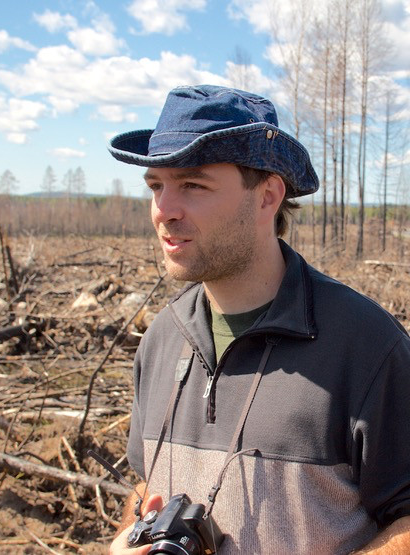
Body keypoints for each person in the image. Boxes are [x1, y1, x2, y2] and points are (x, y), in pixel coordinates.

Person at [106, 85, 410, 554]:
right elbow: (147, 484)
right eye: (155, 186)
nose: (163, 210)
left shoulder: (366, 346)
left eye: (192, 185)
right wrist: (128, 538)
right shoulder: (161, 340)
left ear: (268, 195)